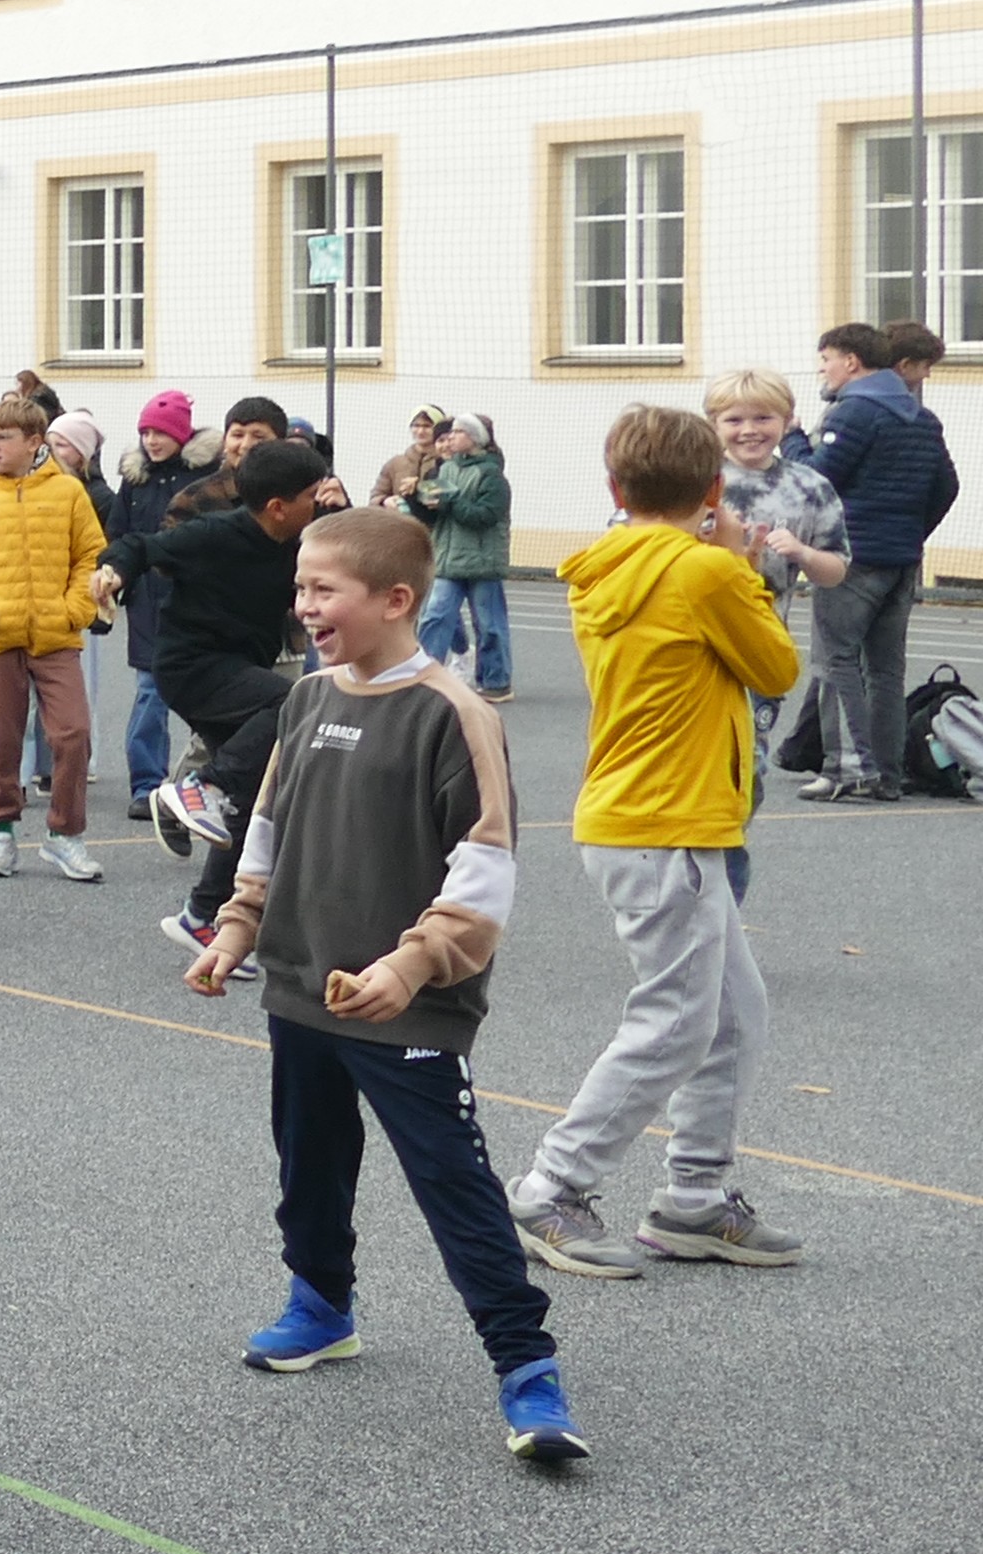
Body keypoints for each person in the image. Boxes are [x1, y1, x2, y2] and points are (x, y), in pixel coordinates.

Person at [186, 503, 575, 1461]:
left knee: (453, 1182)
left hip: (409, 1004)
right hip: (301, 988)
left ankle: (527, 1368)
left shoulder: (454, 712)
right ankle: (322, 1304)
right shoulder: (309, 697)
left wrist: (413, 961)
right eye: (300, 588)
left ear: (396, 599)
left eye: (325, 590)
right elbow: (268, 827)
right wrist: (238, 926)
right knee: (309, 1160)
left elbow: (484, 866)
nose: (304, 606)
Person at [506, 403, 809, 1282]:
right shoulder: (703, 571)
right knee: (676, 1023)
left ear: (615, 486)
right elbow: (777, 668)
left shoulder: (607, 565)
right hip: (665, 822)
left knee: (735, 1014)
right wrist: (740, 561)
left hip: (639, 816)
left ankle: (693, 1198)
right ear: (713, 488)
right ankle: (551, 1187)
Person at [102, 439, 336, 949]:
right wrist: (112, 571)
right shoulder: (216, 534)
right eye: (312, 495)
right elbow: (140, 546)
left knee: (253, 799)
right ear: (277, 507)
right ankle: (203, 784)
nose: (318, 502)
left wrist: (342, 509)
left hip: (237, 667)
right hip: (192, 667)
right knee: (291, 701)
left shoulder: (299, 540)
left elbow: (350, 555)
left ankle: (202, 915)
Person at [0, 395, 106, 883]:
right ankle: (1, 833)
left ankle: (64, 835)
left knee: (73, 733)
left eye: (3, 437)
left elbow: (90, 557)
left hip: (57, 637)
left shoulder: (69, 493)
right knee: (1, 741)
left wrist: (74, 610)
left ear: (34, 442)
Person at [801, 321, 954, 801]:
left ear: (851, 361)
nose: (822, 370)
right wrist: (911, 532)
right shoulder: (921, 417)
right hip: (902, 560)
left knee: (836, 660)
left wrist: (791, 439)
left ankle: (847, 769)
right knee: (886, 671)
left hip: (853, 557)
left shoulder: (854, 412)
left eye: (826, 360)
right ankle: (886, 774)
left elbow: (815, 481)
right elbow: (947, 487)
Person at [704, 371, 849, 786]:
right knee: (700, 762)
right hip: (698, 645)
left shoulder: (809, 487)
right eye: (734, 420)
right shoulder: (695, 481)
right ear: (714, 424)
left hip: (761, 645)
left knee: (748, 762)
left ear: (786, 421)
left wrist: (803, 553)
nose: (749, 430)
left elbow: (836, 570)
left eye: (763, 418)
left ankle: (736, 826)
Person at [108, 391, 206, 798]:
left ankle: (203, 782)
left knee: (204, 694)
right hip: (147, 602)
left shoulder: (206, 479)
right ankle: (146, 785)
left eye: (160, 433)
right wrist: (116, 574)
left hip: (195, 600)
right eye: (145, 432)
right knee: (150, 692)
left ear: (181, 435)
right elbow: (118, 534)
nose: (151, 440)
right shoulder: (135, 482)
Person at [401, 414, 514, 699]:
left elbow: (485, 516)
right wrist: (415, 498)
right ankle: (424, 676)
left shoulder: (492, 476)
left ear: (475, 438)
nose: (450, 437)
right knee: (435, 617)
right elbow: (431, 516)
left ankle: (496, 681)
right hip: (448, 560)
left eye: (458, 432)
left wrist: (451, 500)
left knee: (489, 625)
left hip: (482, 562)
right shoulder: (445, 470)